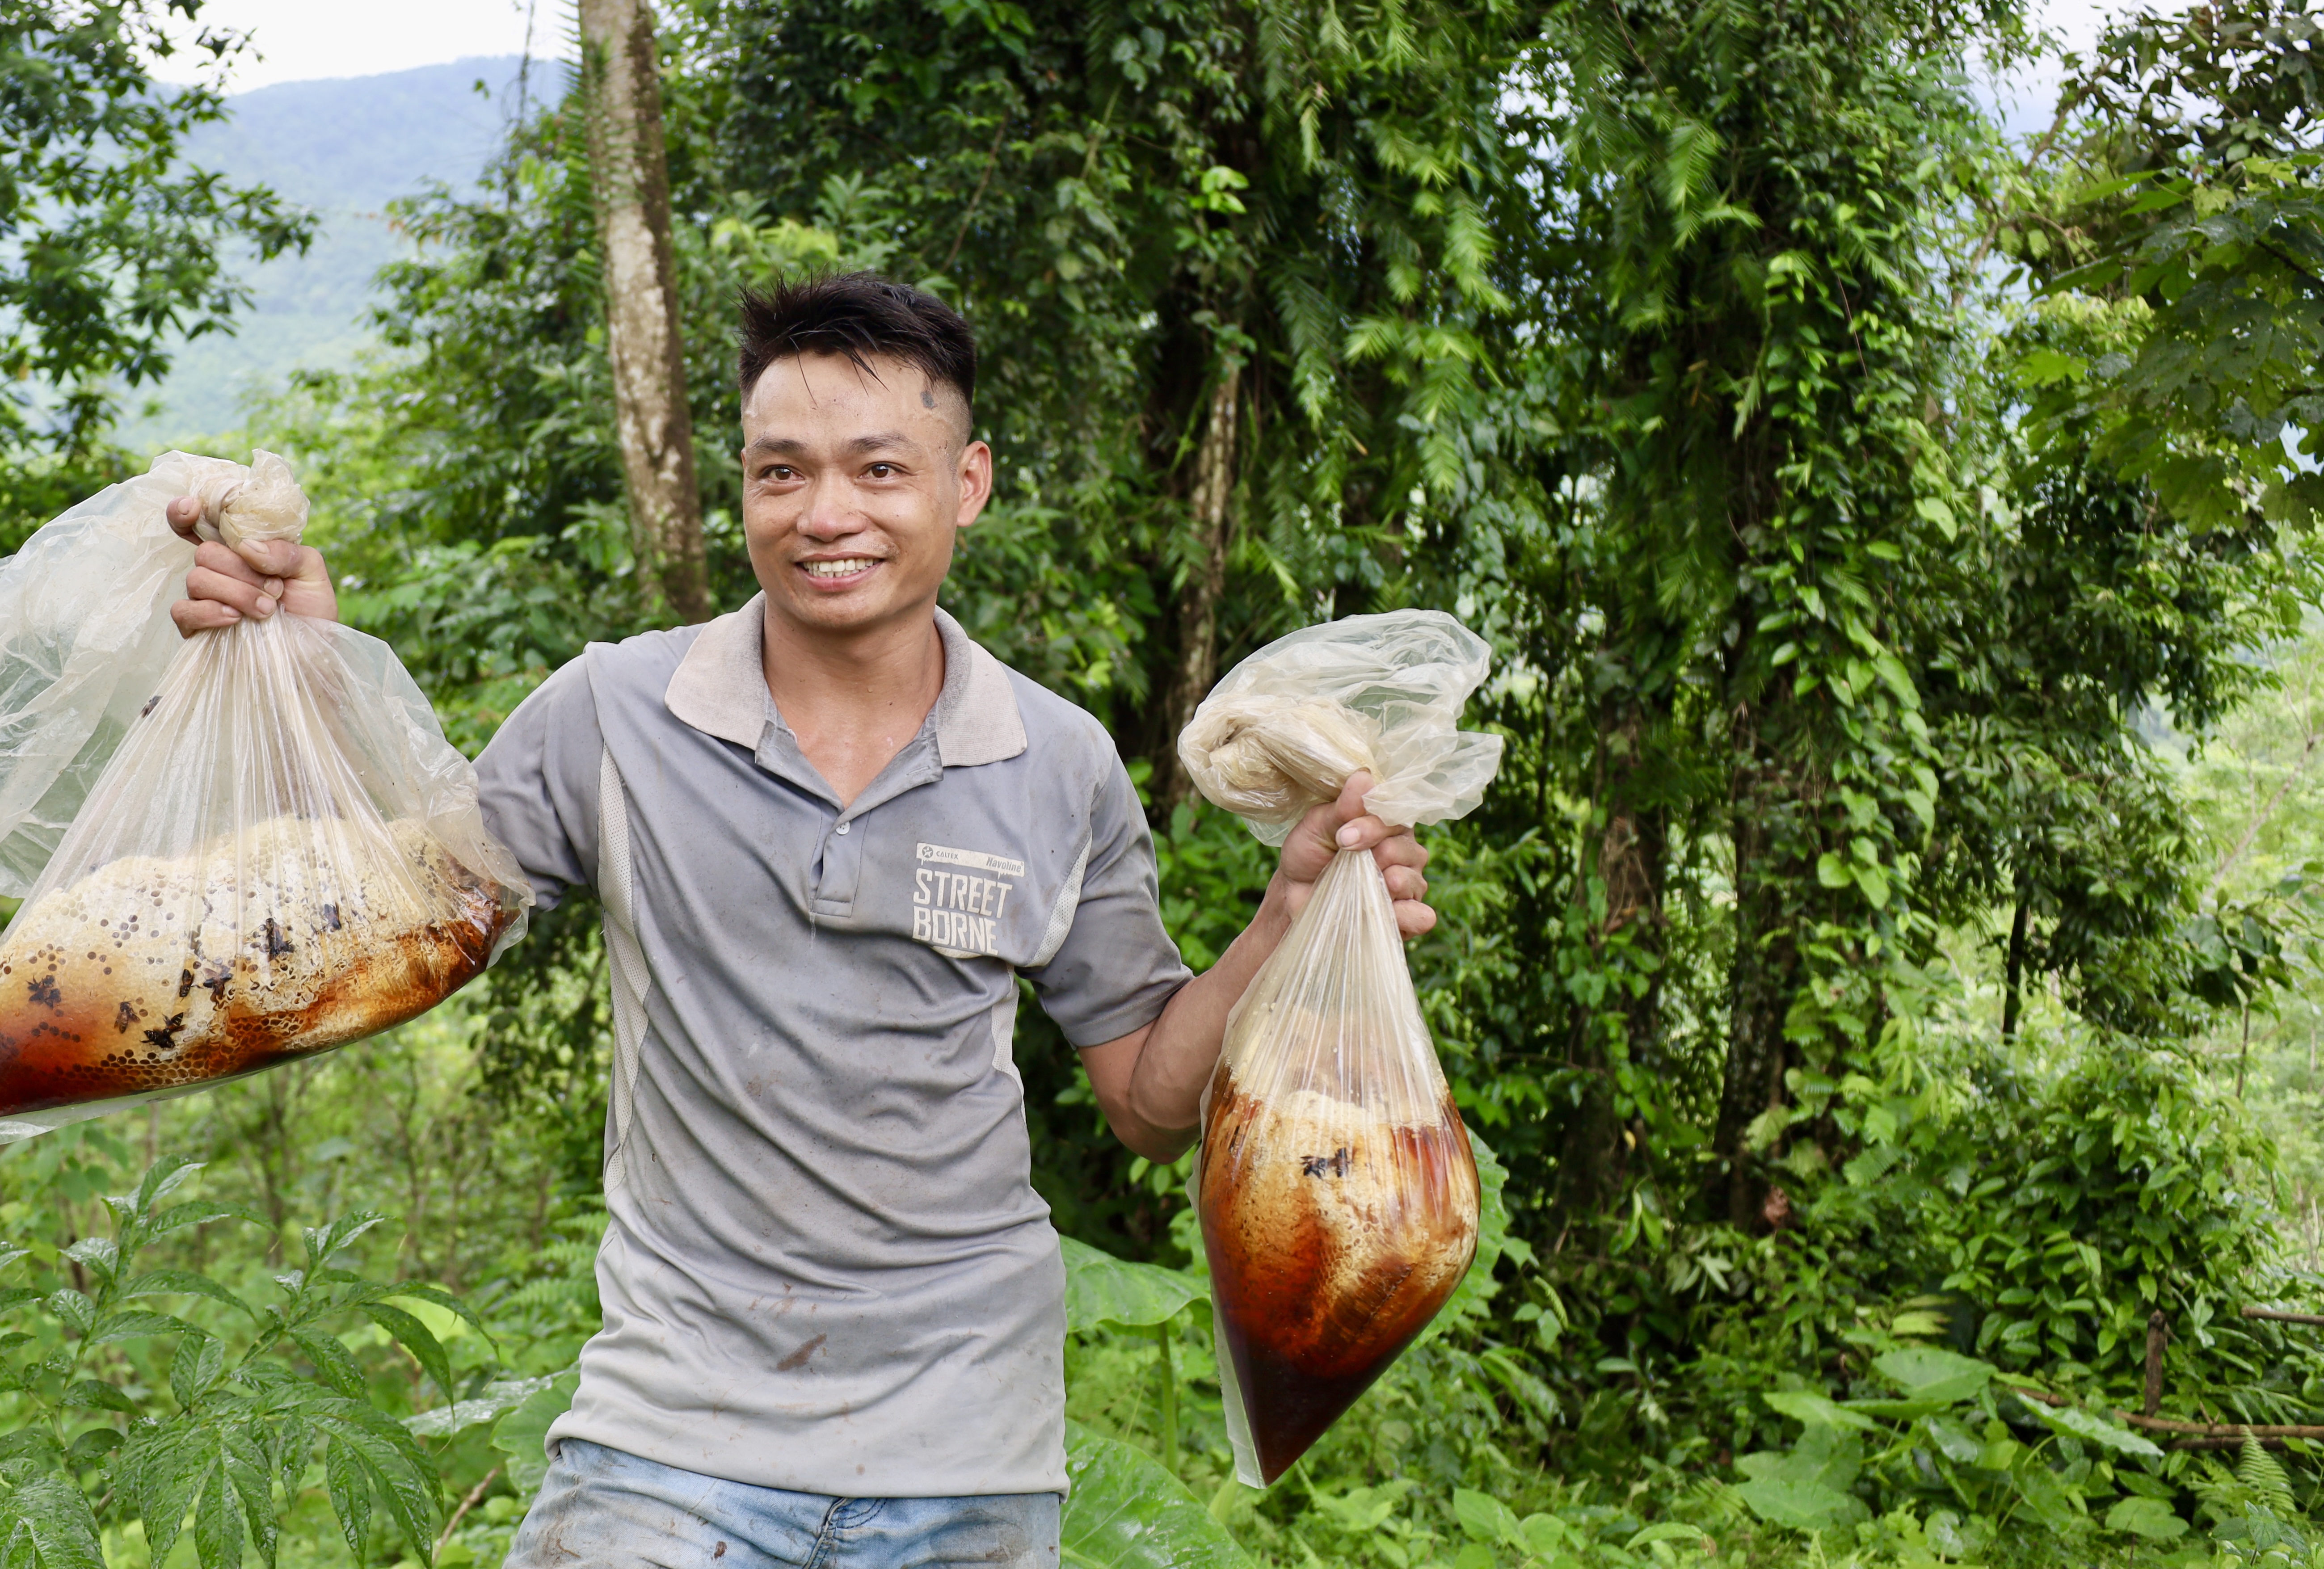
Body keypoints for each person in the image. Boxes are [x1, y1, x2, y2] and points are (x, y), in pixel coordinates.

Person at [169, 276, 1437, 1569]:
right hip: (672, 1434)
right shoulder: (616, 714)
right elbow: (398, 926)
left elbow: (1153, 1107)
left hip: (969, 1452)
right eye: (782, 473)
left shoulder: (1056, 763)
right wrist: (310, 673)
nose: (826, 515)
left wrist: (1288, 919)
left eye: (879, 469)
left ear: (969, 482)